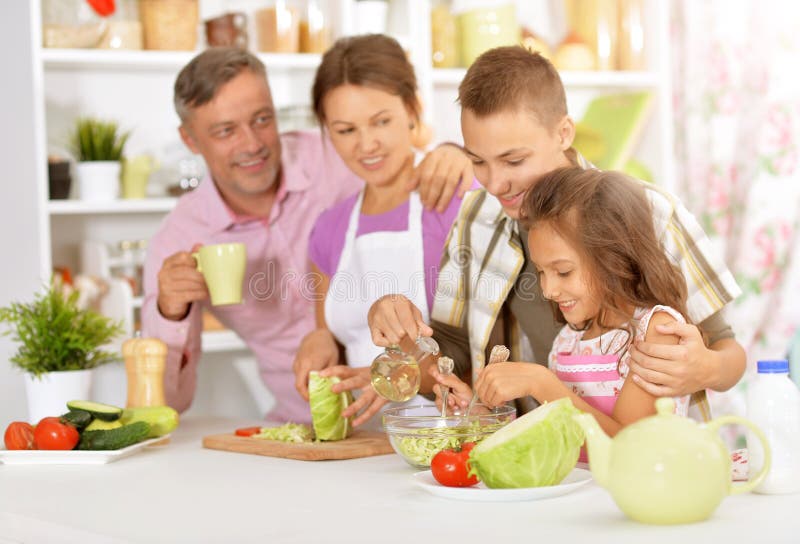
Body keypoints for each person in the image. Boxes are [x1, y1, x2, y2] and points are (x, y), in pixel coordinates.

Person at [367, 46, 746, 419]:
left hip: (650, 453)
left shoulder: (649, 211)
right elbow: (453, 355)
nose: (495, 184)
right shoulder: (476, 216)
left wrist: (706, 368)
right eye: (478, 161)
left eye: (514, 160)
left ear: (563, 133)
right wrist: (403, 336)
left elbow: (727, 349)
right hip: (537, 452)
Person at [141, 47, 472, 423]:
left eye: (262, 119)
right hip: (303, 420)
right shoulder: (181, 237)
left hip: (428, 414)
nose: (251, 144)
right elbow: (166, 403)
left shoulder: (334, 153)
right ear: (190, 140)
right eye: (225, 131)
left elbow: (399, 145)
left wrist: (460, 154)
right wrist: (170, 311)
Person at [438, 167, 693, 440]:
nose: (548, 290)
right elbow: (560, 440)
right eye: (541, 272)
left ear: (614, 258)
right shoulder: (568, 341)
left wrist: (541, 383)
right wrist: (481, 414)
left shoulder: (657, 331)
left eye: (563, 272)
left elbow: (629, 446)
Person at [291, 35, 468, 427]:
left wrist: (399, 371)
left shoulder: (454, 198)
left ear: (412, 109)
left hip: (450, 436)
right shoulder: (329, 227)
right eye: (345, 130)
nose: (367, 144)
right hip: (366, 441)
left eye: (381, 121)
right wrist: (320, 340)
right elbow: (333, 336)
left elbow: (486, 349)